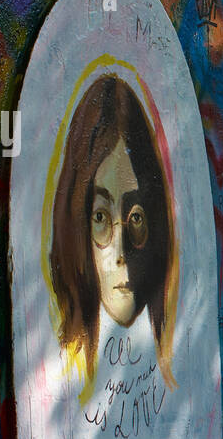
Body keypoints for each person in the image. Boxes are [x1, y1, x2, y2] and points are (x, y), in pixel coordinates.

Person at [49, 74, 179, 389]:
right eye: (100, 217)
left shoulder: (172, 372)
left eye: (135, 217)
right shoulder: (64, 375)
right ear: (77, 226)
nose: (121, 253)